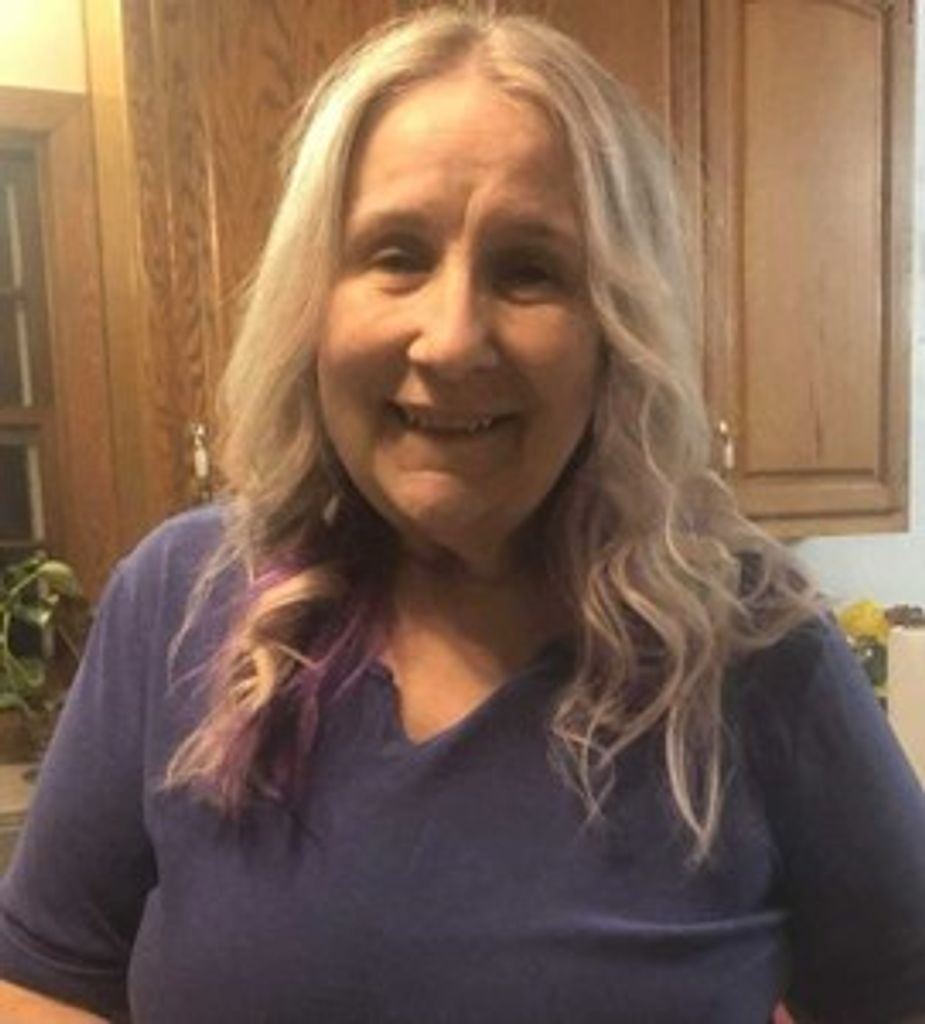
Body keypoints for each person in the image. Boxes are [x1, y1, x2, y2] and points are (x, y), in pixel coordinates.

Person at [0, 8, 923, 1023]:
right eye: (396, 254)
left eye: (529, 269)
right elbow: (42, 982)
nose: (450, 340)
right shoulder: (179, 600)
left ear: (616, 329)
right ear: (314, 303)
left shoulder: (752, 642)